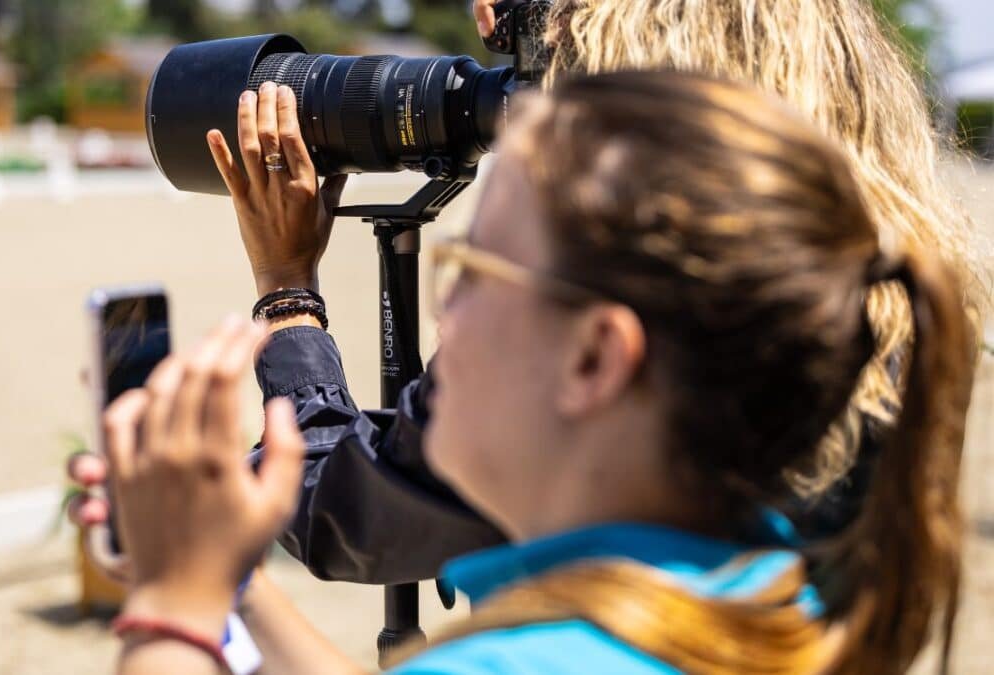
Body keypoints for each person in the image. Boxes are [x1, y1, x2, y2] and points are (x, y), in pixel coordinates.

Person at [91, 71, 973, 674]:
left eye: (474, 272)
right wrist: (221, 579)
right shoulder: (771, 587)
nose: (443, 312)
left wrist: (170, 612)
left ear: (593, 357)